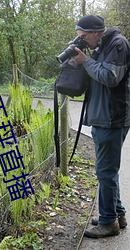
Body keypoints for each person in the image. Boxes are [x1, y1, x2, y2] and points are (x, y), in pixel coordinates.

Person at [72, 15, 130, 238]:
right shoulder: (101, 46)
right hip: (102, 117)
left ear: (96, 32)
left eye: (84, 37)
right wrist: (82, 60)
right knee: (107, 171)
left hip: (112, 118)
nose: (83, 41)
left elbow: (109, 77)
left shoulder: (118, 44)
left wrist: (85, 61)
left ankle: (108, 223)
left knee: (105, 171)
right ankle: (117, 214)